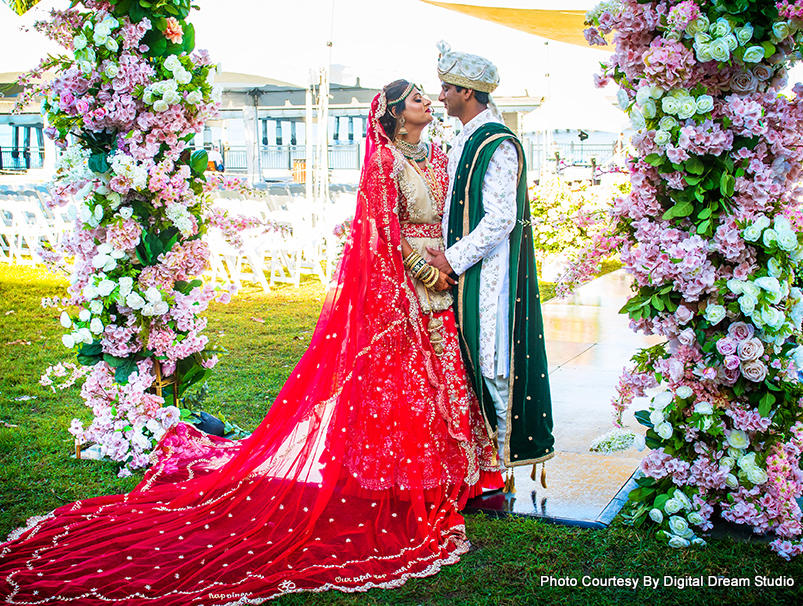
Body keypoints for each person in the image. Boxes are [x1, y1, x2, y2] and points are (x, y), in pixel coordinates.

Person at [0, 80, 500, 605]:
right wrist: (423, 271)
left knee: (440, 382)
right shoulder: (383, 163)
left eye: (427, 94)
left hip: (445, 286)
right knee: (399, 389)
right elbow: (380, 231)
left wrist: (452, 264)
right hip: (403, 284)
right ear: (396, 115)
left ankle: (446, 479)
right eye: (415, 96)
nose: (426, 99)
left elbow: (452, 220)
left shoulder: (442, 156)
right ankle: (393, 484)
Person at [427, 41, 555, 486]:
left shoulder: (497, 141)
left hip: (491, 273)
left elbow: (499, 218)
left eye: (446, 89)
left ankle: (500, 466)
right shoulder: (466, 138)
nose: (439, 96)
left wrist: (451, 258)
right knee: (472, 360)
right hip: (469, 268)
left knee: (492, 360)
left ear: (467, 92)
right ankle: (483, 465)